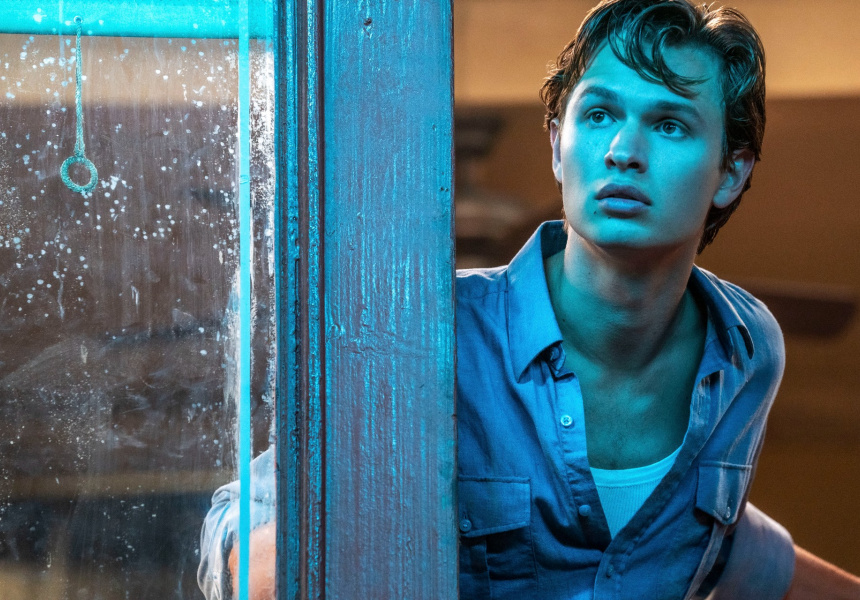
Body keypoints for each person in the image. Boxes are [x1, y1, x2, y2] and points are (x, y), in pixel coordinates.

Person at [198, 1, 860, 598]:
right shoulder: (433, 335)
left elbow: (707, 537)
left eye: (669, 124)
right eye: (598, 115)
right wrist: (282, 569)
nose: (623, 151)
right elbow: (245, 519)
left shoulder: (747, 348)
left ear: (731, 172)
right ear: (556, 146)